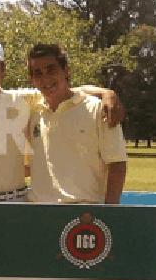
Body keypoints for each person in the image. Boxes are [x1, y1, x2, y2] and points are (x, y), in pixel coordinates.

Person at [0, 40, 124, 202]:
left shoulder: (23, 101)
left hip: (31, 204)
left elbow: (66, 90)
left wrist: (106, 93)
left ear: (3, 69)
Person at [25, 43, 128, 204]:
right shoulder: (32, 110)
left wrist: (110, 213)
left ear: (66, 71)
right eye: (38, 73)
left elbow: (117, 164)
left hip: (83, 218)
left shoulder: (99, 109)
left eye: (51, 70)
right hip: (39, 214)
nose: (45, 79)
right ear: (32, 80)